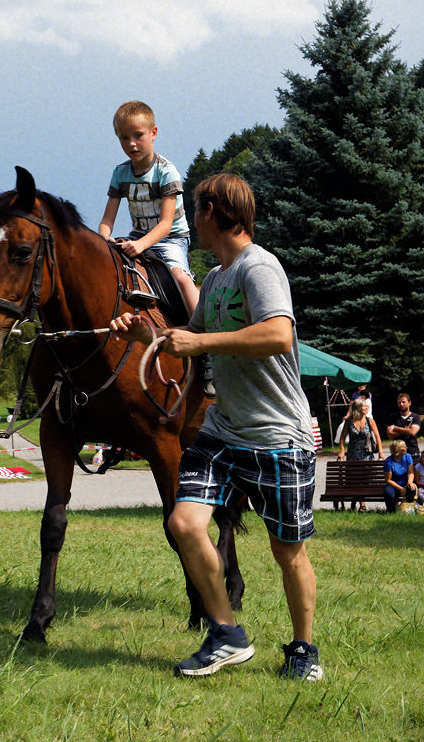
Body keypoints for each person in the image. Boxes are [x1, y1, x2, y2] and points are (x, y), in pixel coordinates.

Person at [110, 173, 321, 681]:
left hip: (277, 434)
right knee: (183, 524)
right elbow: (191, 335)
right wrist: (150, 335)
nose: (187, 219)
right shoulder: (218, 277)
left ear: (211, 211)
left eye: (192, 210)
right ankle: (226, 633)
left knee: (286, 552)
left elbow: (277, 333)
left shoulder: (259, 266)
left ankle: (303, 650)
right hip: (224, 431)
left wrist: (199, 345)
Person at [98, 101, 200, 316]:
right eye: (124, 138)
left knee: (180, 278)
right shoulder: (120, 173)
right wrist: (104, 236)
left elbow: (166, 224)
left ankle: (204, 329)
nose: (131, 144)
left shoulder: (166, 172)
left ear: (153, 133)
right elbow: (108, 219)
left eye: (138, 135)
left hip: (171, 238)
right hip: (137, 237)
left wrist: (141, 245)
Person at [338, 398, 382, 464]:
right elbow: (342, 438)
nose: (366, 407)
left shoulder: (370, 421)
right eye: (364, 406)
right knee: (352, 474)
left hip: (367, 456)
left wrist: (380, 452)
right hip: (352, 455)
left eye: (366, 406)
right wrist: (342, 450)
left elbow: (377, 436)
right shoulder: (348, 422)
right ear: (357, 407)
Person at [386, 393, 422, 460]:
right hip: (397, 453)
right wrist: (406, 430)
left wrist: (396, 428)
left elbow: (412, 432)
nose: (401, 404)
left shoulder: (415, 417)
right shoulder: (393, 417)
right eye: (399, 402)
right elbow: (390, 435)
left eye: (403, 402)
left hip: (413, 453)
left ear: (409, 403)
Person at [382, 440, 415, 513]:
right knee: (388, 493)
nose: (406, 447)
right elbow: (388, 479)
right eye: (404, 446)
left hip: (405, 483)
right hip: (393, 484)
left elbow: (411, 472)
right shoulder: (388, 461)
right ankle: (391, 512)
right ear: (398, 449)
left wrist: (409, 483)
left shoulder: (408, 456)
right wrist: (401, 489)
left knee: (412, 489)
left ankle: (409, 511)